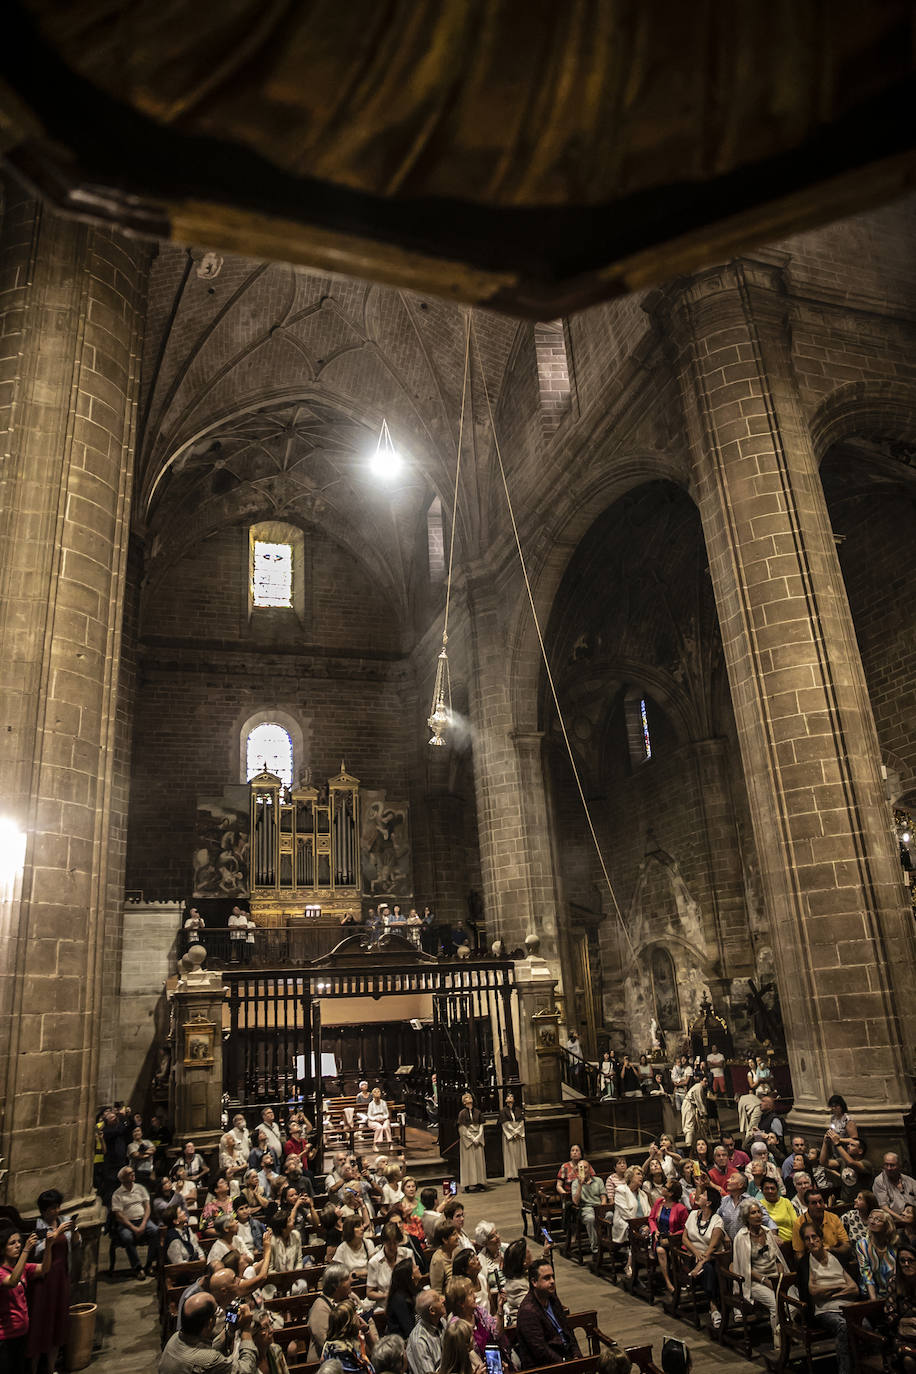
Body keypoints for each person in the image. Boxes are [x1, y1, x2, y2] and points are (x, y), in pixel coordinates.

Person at [0, 1223, 65, 1374]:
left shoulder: (23, 1267)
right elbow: (12, 1281)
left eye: (18, 1242)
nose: (17, 1245)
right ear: (2, 1249)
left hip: (21, 1333)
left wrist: (48, 1247)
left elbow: (44, 1268)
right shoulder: (2, 1272)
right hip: (4, 1337)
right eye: (12, 1243)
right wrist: (26, 1249)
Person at [795, 1222, 857, 1374]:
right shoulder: (804, 1263)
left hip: (848, 1306)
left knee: (866, 1327)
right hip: (825, 1311)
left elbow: (854, 1288)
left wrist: (829, 1293)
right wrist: (840, 1287)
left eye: (814, 1236)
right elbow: (813, 1292)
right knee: (843, 1326)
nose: (811, 1241)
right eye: (807, 1238)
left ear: (821, 1238)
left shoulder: (836, 1256)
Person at [30, 1190, 79, 1374]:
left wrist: (73, 1230)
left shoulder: (64, 1220)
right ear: (44, 1211)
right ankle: (34, 1368)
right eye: (51, 1208)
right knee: (42, 1323)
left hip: (62, 1276)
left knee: (59, 1321)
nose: (56, 1211)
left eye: (57, 1207)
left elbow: (75, 1243)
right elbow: (37, 1250)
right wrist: (56, 1232)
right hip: (45, 1278)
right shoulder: (39, 1226)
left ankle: (51, 1368)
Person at [732, 1198, 789, 1345]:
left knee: (793, 1302)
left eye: (759, 1212)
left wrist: (781, 1278)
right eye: (753, 1213)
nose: (758, 1215)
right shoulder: (742, 1237)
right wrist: (766, 1281)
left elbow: (778, 1260)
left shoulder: (768, 1232)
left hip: (775, 1277)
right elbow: (745, 1268)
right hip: (755, 1281)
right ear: (746, 1217)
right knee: (775, 1304)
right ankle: (779, 1342)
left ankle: (789, 1334)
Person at [159, 1290, 258, 1373]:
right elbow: (247, 1370)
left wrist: (231, 1328)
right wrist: (247, 1330)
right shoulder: (208, 1360)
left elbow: (208, 1349)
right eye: (217, 1311)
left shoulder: (176, 1337)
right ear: (210, 1323)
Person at [514, 1259, 580, 1368]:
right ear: (534, 1282)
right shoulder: (528, 1311)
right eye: (547, 1278)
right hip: (545, 1367)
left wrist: (577, 1355)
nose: (552, 1281)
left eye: (552, 1276)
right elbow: (541, 1351)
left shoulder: (552, 1299)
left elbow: (567, 1331)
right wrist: (565, 1364)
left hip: (565, 1357)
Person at [682, 1182, 725, 1329]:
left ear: (708, 1202)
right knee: (706, 1268)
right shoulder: (693, 1214)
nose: (699, 1195)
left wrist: (700, 1262)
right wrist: (696, 1253)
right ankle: (713, 1306)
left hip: (711, 1257)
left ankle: (713, 1306)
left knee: (707, 1268)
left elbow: (712, 1246)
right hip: (693, 1255)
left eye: (703, 1195)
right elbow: (684, 1238)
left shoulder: (717, 1220)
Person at [111, 1164, 159, 1277]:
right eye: (129, 1173)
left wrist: (143, 1224)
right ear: (122, 1178)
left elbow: (147, 1207)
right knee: (127, 1237)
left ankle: (149, 1264)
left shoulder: (140, 1188)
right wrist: (133, 1228)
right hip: (127, 1223)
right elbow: (119, 1215)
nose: (133, 1174)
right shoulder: (117, 1194)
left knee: (155, 1231)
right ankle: (137, 1267)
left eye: (133, 1172)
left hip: (143, 1220)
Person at [791, 1187, 851, 1263]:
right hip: (812, 1261)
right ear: (807, 1205)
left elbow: (846, 1246)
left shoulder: (833, 1218)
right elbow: (799, 1254)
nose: (818, 1206)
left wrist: (831, 1250)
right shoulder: (799, 1223)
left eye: (820, 1202)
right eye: (814, 1203)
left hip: (835, 1257)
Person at [648, 1180, 688, 1293]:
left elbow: (685, 1228)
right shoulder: (659, 1202)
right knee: (660, 1251)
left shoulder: (680, 1208)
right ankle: (668, 1282)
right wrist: (654, 1230)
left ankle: (681, 1279)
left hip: (674, 1240)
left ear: (671, 1193)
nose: (662, 1187)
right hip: (659, 1238)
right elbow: (651, 1219)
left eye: (665, 1187)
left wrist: (673, 1235)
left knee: (673, 1253)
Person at [309, 1265, 353, 1360]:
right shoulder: (320, 1308)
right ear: (335, 1285)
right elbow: (325, 1342)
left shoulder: (350, 1298)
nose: (351, 1281)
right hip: (326, 1364)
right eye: (346, 1279)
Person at [885, 1239, 916, 1372]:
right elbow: (889, 1314)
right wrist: (902, 1320)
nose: (906, 1264)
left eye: (910, 1260)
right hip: (904, 1338)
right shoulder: (894, 1282)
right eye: (902, 1261)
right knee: (908, 1358)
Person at [320, 1299, 373, 1374]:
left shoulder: (330, 1344)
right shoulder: (341, 1350)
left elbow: (373, 1352)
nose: (359, 1317)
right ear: (350, 1322)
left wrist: (366, 1331)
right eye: (355, 1314)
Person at [367, 1222, 413, 1304]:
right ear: (383, 1242)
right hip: (385, 1306)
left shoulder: (408, 1254)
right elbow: (369, 1293)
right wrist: (386, 1295)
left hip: (408, 1302)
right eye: (389, 1243)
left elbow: (413, 1280)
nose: (392, 1247)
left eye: (395, 1243)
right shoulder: (374, 1262)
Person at [856, 1208, 897, 1300]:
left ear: (886, 1225)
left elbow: (897, 1273)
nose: (872, 1222)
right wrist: (874, 1302)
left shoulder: (894, 1243)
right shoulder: (862, 1244)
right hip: (871, 1293)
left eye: (877, 1219)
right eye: (871, 1218)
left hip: (894, 1292)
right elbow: (866, 1274)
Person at [406, 1287, 444, 1374]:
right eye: (438, 1299)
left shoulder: (442, 1322)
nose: (443, 1300)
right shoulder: (419, 1341)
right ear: (432, 1311)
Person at [875, 1153, 916, 1224]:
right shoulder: (879, 1181)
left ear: (899, 1166)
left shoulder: (910, 1181)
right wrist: (901, 1219)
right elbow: (883, 1206)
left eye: (892, 1165)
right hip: (895, 1221)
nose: (889, 1168)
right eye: (886, 1165)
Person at [457, 1094, 486, 1194]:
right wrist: (472, 1138)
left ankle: (480, 1182)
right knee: (468, 1162)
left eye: (469, 1098)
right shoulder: (462, 1113)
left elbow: (481, 1125)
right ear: (464, 1102)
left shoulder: (478, 1112)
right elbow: (462, 1128)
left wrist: (478, 1137)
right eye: (466, 1098)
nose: (468, 1100)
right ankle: (467, 1184)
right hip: (468, 1139)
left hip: (477, 1137)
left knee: (478, 1161)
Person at [251, 1307, 292, 1374]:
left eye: (270, 1324)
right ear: (253, 1335)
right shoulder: (246, 1363)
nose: (271, 1330)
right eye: (265, 1327)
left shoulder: (276, 1351)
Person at [386, 1257, 419, 1339]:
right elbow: (408, 1329)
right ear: (411, 1275)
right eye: (415, 1267)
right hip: (401, 1343)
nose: (418, 1267)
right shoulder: (399, 1300)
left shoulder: (416, 1290)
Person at [498, 1093, 527, 1181]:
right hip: (509, 1135)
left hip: (518, 1134)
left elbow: (521, 1122)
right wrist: (513, 1133)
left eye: (512, 1096)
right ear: (505, 1100)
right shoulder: (503, 1111)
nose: (510, 1098)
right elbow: (505, 1124)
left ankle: (520, 1173)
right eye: (508, 1097)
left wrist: (518, 1131)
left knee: (519, 1154)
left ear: (514, 1100)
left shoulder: (518, 1109)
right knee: (510, 1155)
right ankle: (511, 1174)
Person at [759, 1176, 797, 1244]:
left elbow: (795, 1222)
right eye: (766, 1188)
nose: (770, 1191)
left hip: (790, 1242)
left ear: (777, 1190)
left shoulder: (786, 1202)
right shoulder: (759, 1204)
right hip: (771, 1243)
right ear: (762, 1190)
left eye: (772, 1188)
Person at [429, 1223, 461, 1293]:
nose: (458, 1237)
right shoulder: (438, 1260)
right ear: (445, 1240)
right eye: (454, 1234)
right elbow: (437, 1290)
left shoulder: (457, 1251)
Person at [681, 1078, 708, 1148]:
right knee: (689, 1124)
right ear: (701, 1081)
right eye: (705, 1081)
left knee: (694, 1125)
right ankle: (688, 1144)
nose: (706, 1083)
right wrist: (703, 1114)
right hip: (688, 1105)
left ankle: (693, 1142)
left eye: (707, 1082)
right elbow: (699, 1101)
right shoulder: (698, 1087)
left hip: (691, 1105)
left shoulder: (699, 1087)